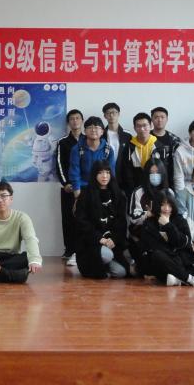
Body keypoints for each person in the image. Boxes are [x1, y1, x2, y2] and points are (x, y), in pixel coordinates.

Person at [136, 190, 194, 287]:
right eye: (162, 205)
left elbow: (185, 243)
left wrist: (168, 226)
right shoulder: (149, 223)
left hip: (183, 262)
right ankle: (191, 279)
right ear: (157, 205)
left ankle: (177, 280)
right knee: (157, 255)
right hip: (166, 263)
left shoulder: (179, 220)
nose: (166, 209)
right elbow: (153, 247)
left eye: (169, 205)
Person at [73, 161, 129, 279]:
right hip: (92, 244)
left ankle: (105, 266)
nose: (104, 176)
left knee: (121, 272)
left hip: (111, 243)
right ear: (94, 174)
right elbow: (82, 222)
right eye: (100, 173)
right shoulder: (86, 194)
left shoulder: (118, 194)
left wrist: (114, 239)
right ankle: (98, 265)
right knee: (107, 255)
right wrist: (100, 239)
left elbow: (121, 222)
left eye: (107, 172)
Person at [55, 109, 84, 261]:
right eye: (72, 119)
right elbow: (59, 164)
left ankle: (83, 250)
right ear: (68, 123)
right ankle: (69, 249)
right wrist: (65, 183)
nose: (75, 121)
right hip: (68, 188)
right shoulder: (63, 142)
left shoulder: (88, 139)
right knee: (68, 219)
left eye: (78, 118)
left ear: (82, 121)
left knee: (84, 219)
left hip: (85, 188)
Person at [121, 112, 171, 192]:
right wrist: (132, 191)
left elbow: (164, 172)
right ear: (134, 128)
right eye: (138, 126)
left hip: (156, 189)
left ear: (151, 126)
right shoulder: (129, 148)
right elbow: (127, 172)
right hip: (136, 189)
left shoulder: (160, 147)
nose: (142, 129)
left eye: (145, 125)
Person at [69, 116, 115, 197]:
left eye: (96, 127)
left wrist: (111, 190)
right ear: (85, 131)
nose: (93, 130)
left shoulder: (108, 150)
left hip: (102, 188)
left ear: (102, 131)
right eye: (90, 127)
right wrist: (77, 193)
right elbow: (74, 171)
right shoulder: (77, 149)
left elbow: (111, 172)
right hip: (83, 188)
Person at [126, 157, 174, 233]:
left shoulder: (169, 192)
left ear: (163, 173)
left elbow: (174, 215)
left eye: (157, 172)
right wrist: (147, 214)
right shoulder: (138, 192)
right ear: (146, 174)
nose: (155, 176)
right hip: (144, 231)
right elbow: (133, 218)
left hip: (164, 230)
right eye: (151, 173)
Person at [102, 102, 132, 185]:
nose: (111, 115)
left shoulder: (127, 135)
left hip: (123, 174)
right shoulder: (101, 135)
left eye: (114, 112)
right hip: (105, 174)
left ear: (118, 114)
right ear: (105, 116)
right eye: (108, 113)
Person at [150, 106, 181, 182]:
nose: (159, 120)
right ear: (152, 120)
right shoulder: (146, 138)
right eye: (156, 117)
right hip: (150, 178)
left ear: (167, 119)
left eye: (162, 117)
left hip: (170, 179)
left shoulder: (175, 140)